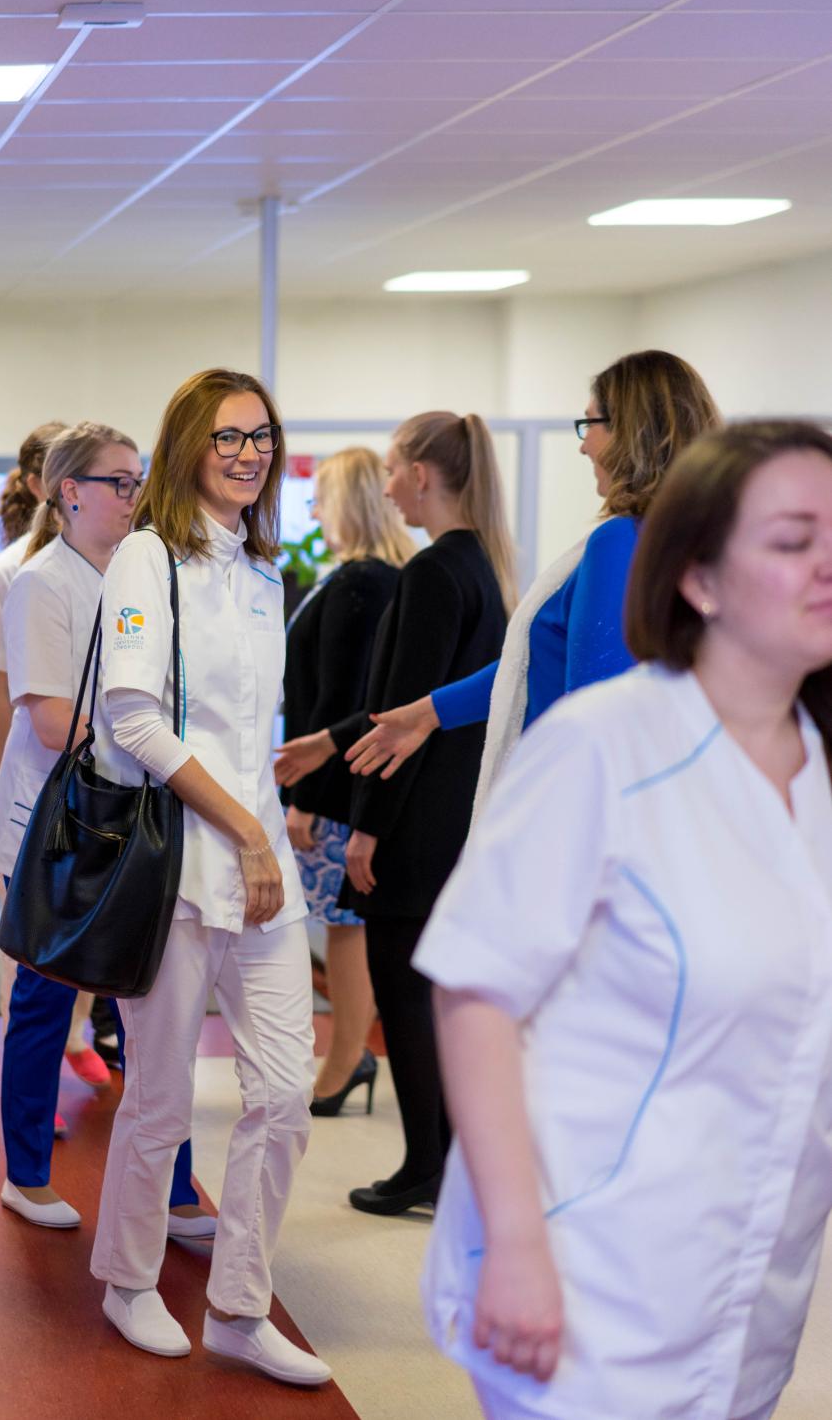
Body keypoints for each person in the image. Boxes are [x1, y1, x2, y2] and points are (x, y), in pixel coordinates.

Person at [415, 419, 832, 1420]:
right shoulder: (603, 748)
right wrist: (517, 1242)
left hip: (752, 1288)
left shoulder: (815, 767)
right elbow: (474, 994)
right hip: (588, 1273)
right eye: (793, 539)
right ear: (697, 578)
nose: (828, 564)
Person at [90, 368, 330, 1386]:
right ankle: (128, 1280)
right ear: (190, 442)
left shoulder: (264, 572)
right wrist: (244, 830)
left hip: (262, 871)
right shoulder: (147, 558)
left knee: (284, 1093)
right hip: (178, 868)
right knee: (161, 1097)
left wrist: (271, 823)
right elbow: (132, 718)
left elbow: (241, 732)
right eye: (229, 436)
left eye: (261, 437)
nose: (248, 453)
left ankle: (238, 1305)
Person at [276, 412, 514, 1216]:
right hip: (452, 813)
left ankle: (424, 1165)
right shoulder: (478, 565)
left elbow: (401, 721)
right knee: (428, 993)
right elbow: (416, 704)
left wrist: (367, 829)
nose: (384, 488)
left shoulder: (432, 572)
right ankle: (443, 1158)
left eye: (390, 470)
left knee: (405, 995)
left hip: (411, 821)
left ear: (420, 474)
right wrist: (327, 741)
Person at [343, 351, 721, 811]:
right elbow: (531, 663)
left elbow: (591, 711)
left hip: (577, 805)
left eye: (589, 424)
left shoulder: (620, 541)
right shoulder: (690, 540)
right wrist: (430, 713)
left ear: (630, 430)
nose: (583, 446)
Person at [0, 421, 141, 1228]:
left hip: (124, 810)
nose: (133, 496)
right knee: (44, 997)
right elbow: (47, 720)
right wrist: (152, 743)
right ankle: (26, 1173)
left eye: (138, 481)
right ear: (69, 491)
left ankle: (175, 1185)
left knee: (141, 1000)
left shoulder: (133, 575)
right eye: (119, 482)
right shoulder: (41, 581)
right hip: (56, 818)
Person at [0, 421, 112, 1113]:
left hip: (96, 783)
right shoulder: (12, 571)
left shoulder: (110, 561)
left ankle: (77, 1034)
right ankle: (35, 1092)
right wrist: (3, 780)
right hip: (30, 782)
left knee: (84, 944)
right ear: (45, 485)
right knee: (27, 952)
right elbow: (1, 693)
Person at [281, 447, 416, 1114]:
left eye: (321, 499)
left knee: (344, 930)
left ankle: (343, 1062)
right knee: (344, 929)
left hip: (335, 786)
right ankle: (346, 1057)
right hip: (344, 783)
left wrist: (305, 799)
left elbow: (342, 698)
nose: (315, 513)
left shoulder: (363, 582)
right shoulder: (374, 577)